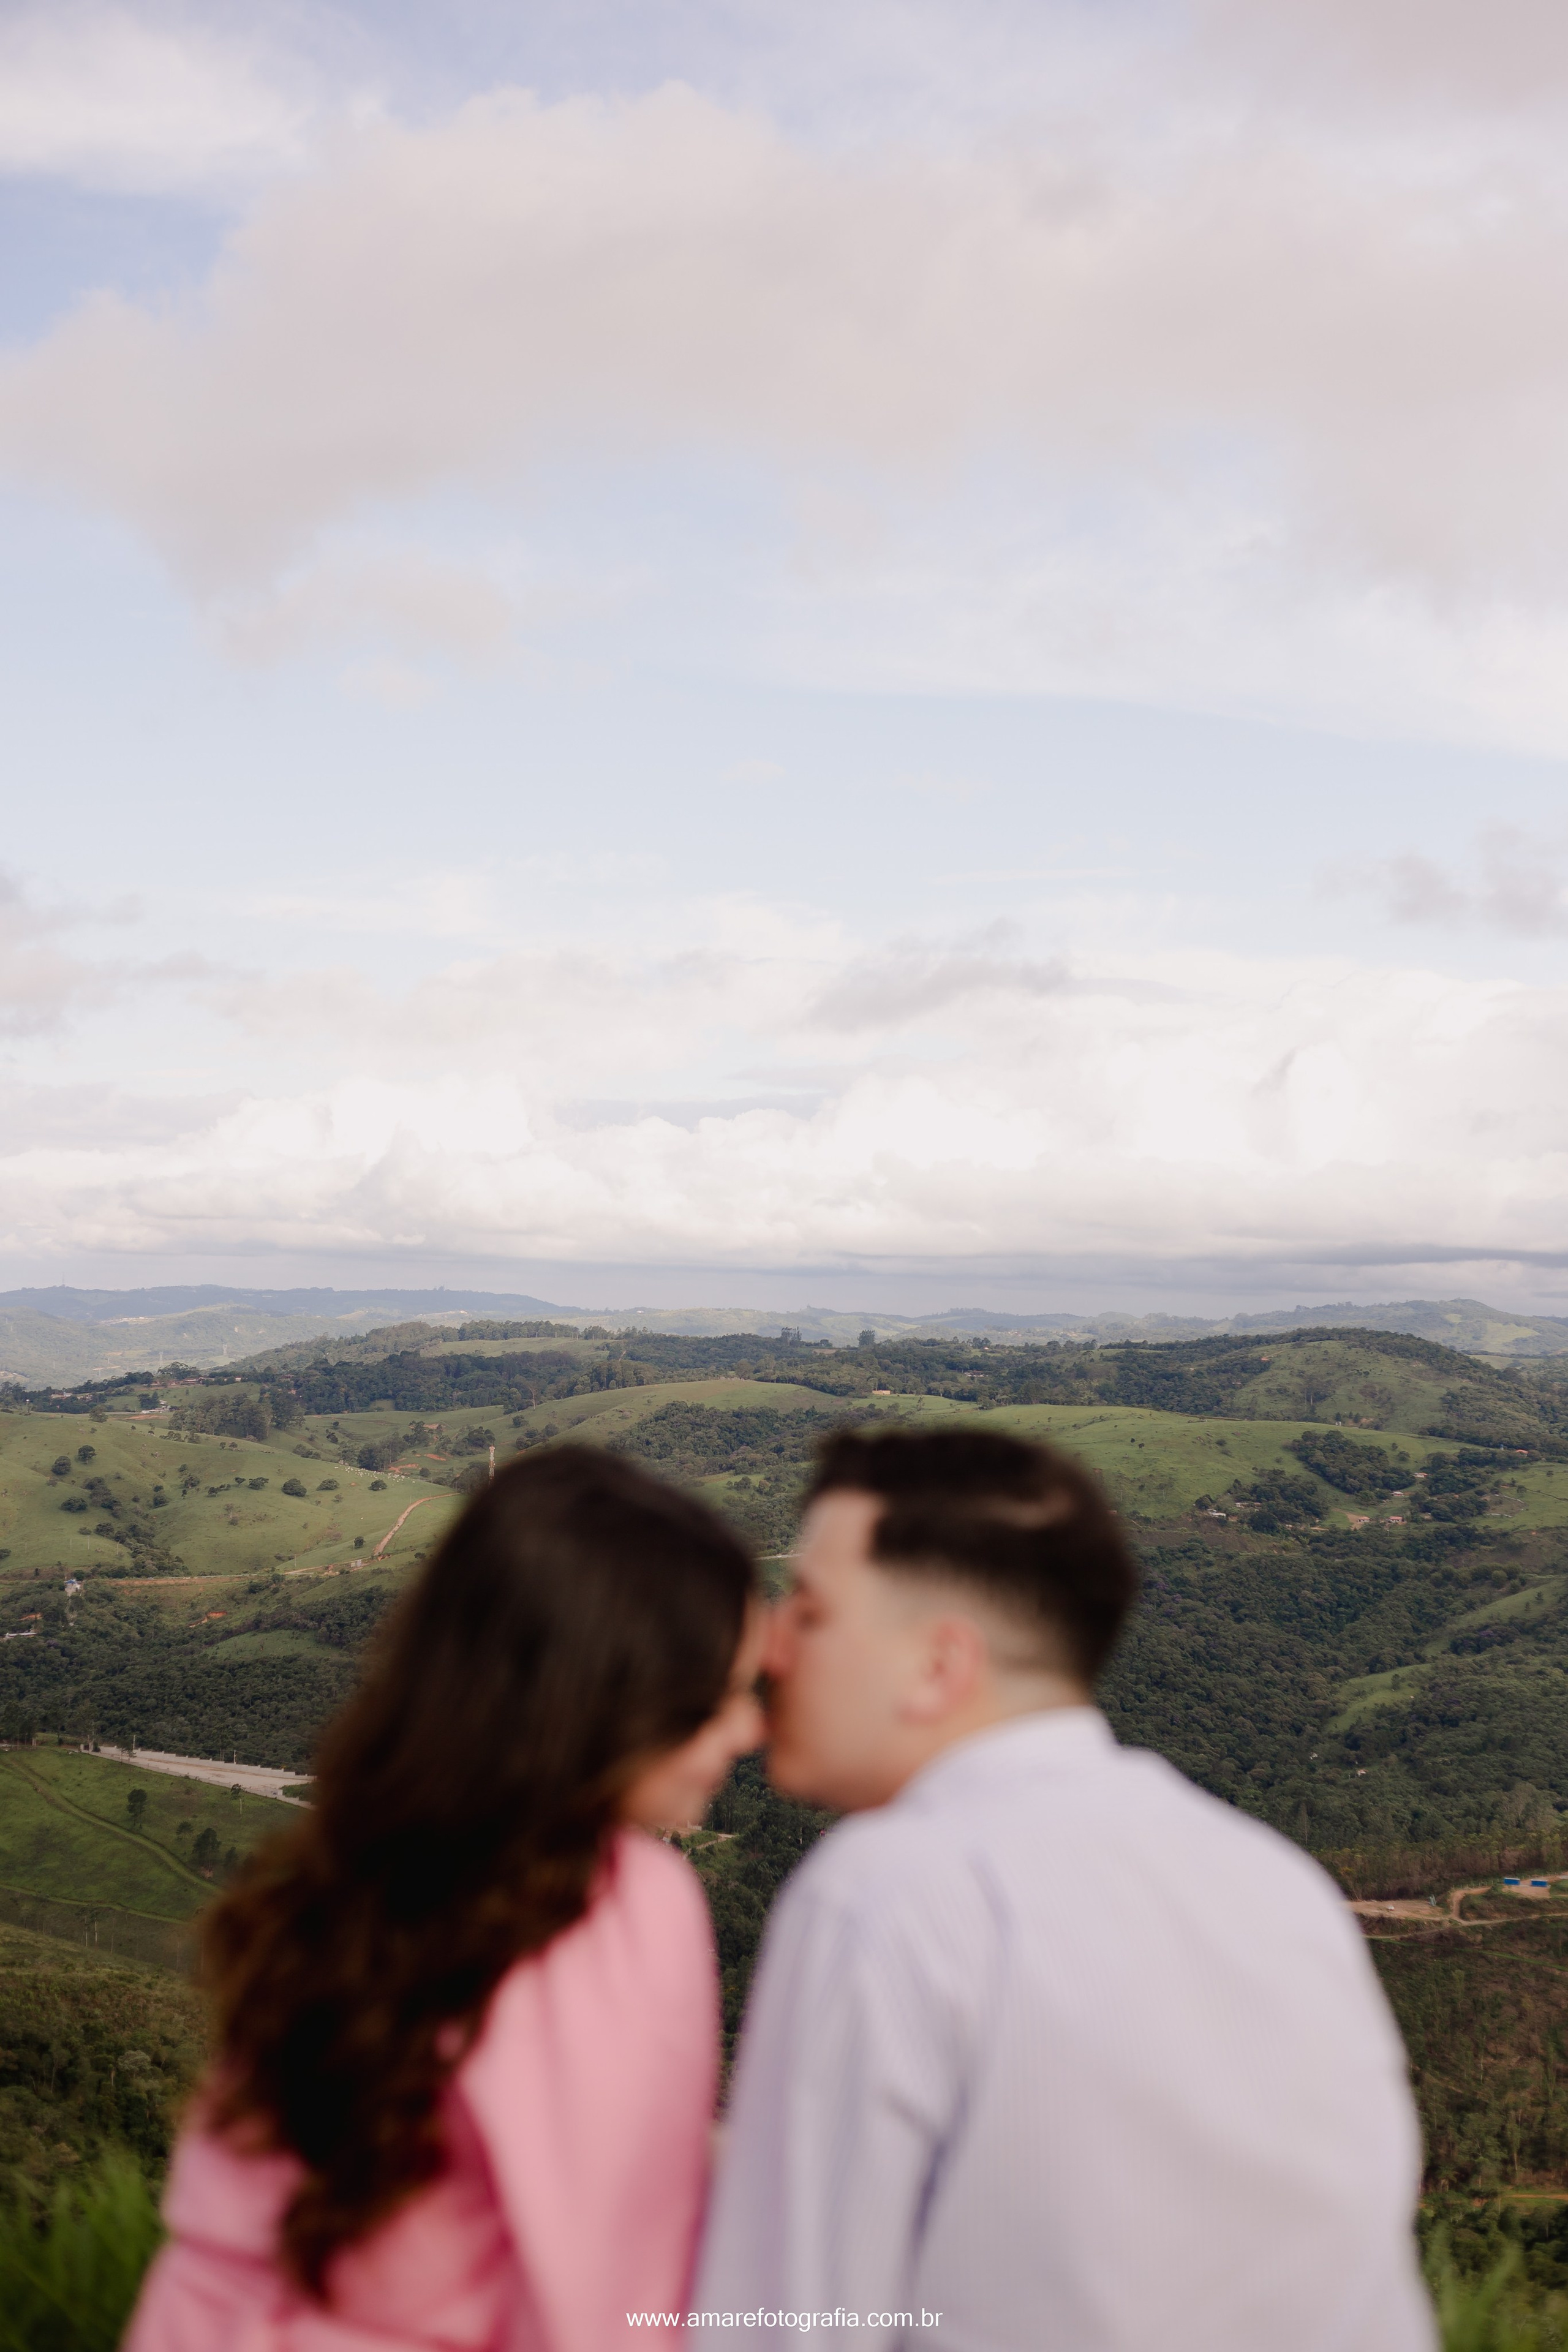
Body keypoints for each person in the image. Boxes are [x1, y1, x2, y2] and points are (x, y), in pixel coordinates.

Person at [696, 1428, 1434, 2351]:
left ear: (938, 1666)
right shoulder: (1281, 1886)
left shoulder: (890, 1891)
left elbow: (795, 2320)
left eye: (807, 1610)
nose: (769, 1648)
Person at [126, 1446, 764, 2352]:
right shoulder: (619, 1903)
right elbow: (599, 2297)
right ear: (613, 1695)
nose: (749, 1728)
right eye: (722, 1695)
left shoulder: (357, 1868)